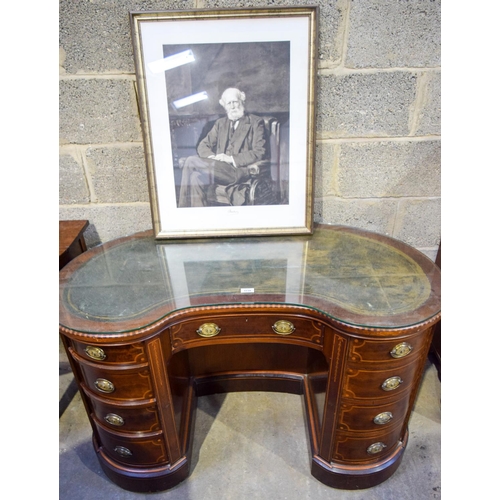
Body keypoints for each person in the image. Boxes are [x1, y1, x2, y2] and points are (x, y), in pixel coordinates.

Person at [178, 88, 268, 207]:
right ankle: (199, 218)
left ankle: (182, 209)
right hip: (219, 169)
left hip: (238, 171)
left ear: (242, 101)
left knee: (190, 160)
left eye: (235, 102)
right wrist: (212, 158)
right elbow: (203, 145)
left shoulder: (255, 122)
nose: (232, 106)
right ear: (224, 106)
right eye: (229, 103)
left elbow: (260, 151)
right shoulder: (220, 123)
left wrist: (230, 159)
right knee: (195, 178)